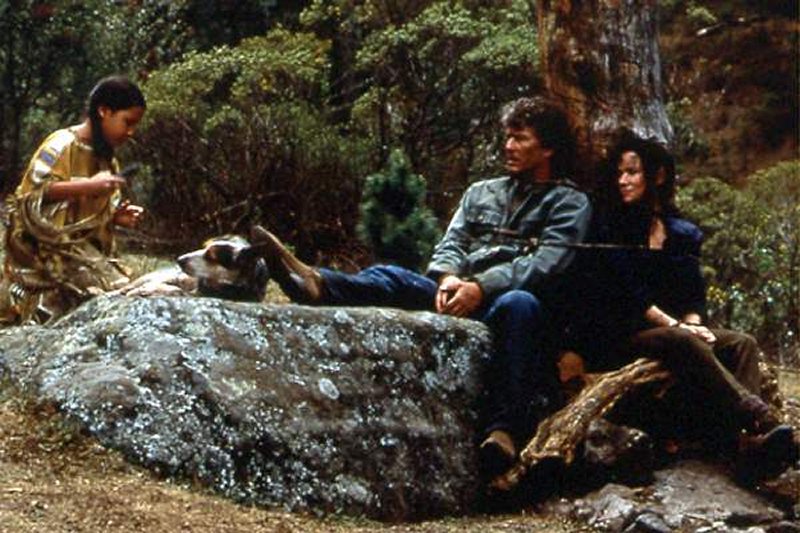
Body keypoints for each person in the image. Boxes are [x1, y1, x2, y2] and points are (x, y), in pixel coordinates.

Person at [252, 97, 592, 476]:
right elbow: (452, 243)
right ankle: (317, 284)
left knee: (519, 303)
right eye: (507, 137)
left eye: (520, 139)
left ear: (547, 148)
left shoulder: (570, 202)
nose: (509, 147)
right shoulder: (482, 192)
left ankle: (504, 431)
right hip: (458, 291)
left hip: (512, 307)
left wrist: (480, 287)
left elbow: (546, 263)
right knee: (393, 276)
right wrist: (447, 278)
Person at [570, 130, 797, 479]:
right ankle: (757, 415)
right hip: (623, 335)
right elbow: (631, 296)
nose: (623, 181)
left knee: (742, 343)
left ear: (657, 176)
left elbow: (693, 292)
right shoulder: (609, 227)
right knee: (682, 340)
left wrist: (693, 322)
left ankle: (746, 446)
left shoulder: (679, 232)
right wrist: (679, 327)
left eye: (632, 172)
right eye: (619, 173)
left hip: (674, 332)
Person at [0, 75, 146, 324]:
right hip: (43, 259)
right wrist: (87, 186)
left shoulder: (106, 159)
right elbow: (29, 198)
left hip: (81, 257)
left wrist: (115, 217)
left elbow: (87, 216)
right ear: (104, 111)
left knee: (127, 294)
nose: (130, 132)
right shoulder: (61, 145)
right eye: (127, 122)